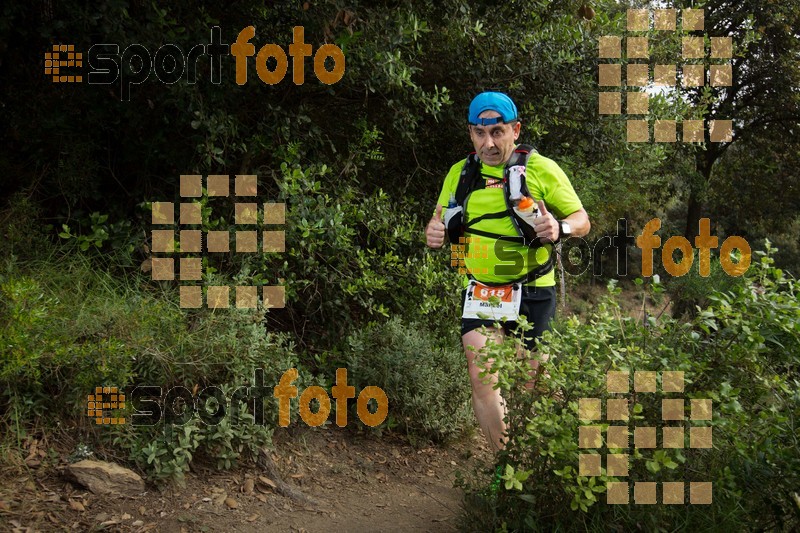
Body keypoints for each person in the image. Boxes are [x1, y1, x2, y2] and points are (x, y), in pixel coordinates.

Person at [425, 91, 590, 451]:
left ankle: (549, 458)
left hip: (534, 291)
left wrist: (560, 228)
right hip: (483, 291)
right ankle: (508, 464)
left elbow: (583, 221)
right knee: (483, 380)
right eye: (480, 134)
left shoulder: (541, 168)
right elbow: (436, 222)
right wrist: (434, 232)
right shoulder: (461, 173)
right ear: (471, 133)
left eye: (498, 132)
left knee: (535, 387)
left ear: (516, 130)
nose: (489, 143)